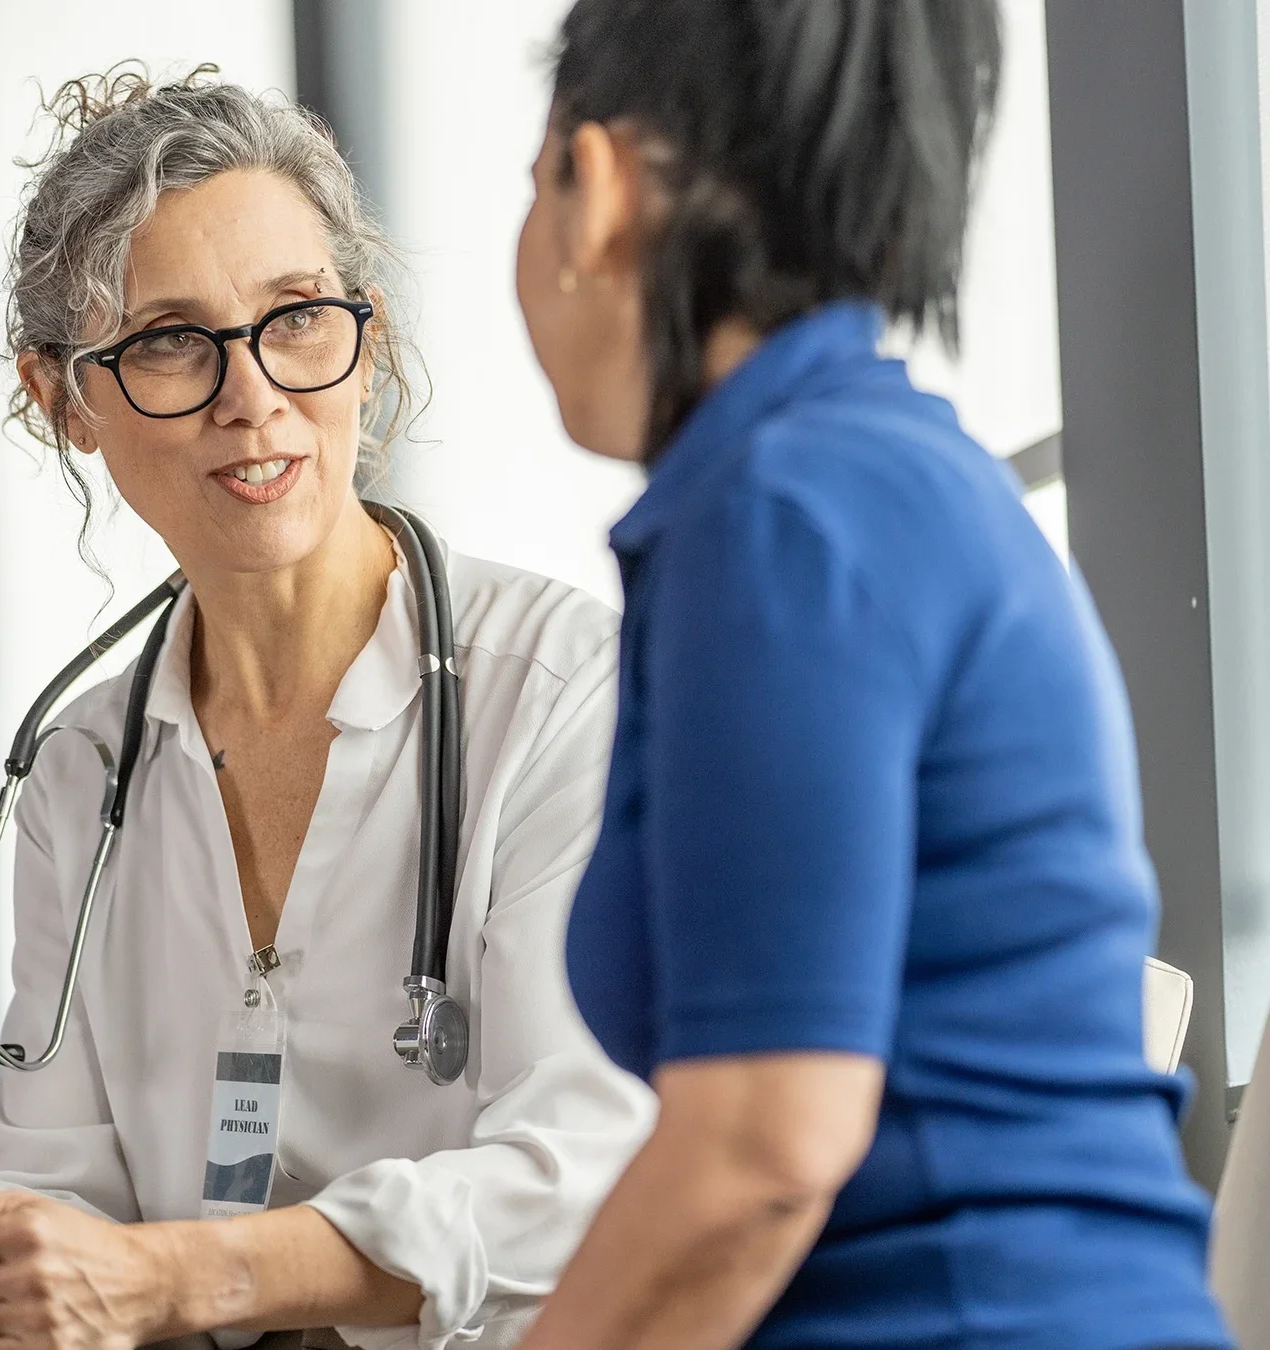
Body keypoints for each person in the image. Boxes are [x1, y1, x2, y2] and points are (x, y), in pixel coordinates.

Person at [0, 68, 651, 1350]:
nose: (253, 394)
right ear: (64, 398)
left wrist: (185, 1277)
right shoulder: (80, 772)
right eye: (167, 341)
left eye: (297, 318)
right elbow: (71, 1217)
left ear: (364, 341)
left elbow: (585, 1178)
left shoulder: (557, 693)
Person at [507, 3, 1233, 1348]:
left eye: (528, 185)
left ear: (591, 185)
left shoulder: (787, 511)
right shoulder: (861, 474)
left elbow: (759, 1150)